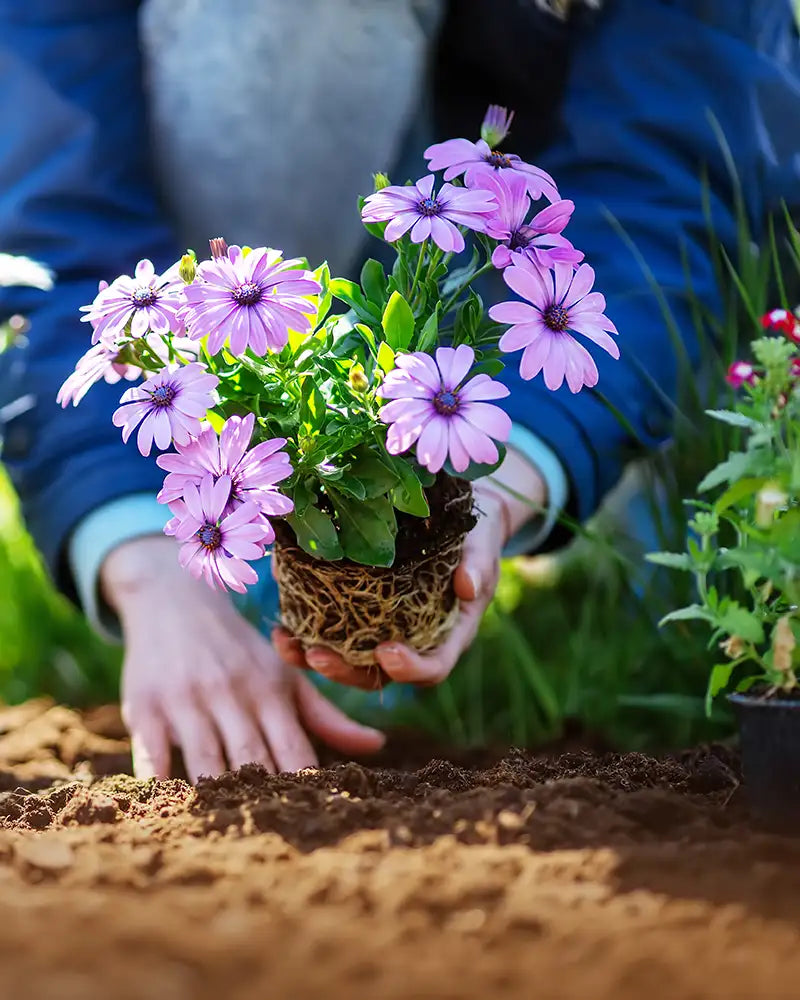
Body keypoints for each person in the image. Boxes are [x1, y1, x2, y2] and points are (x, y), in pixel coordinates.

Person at [1, 0, 798, 781]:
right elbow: (45, 197)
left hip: (582, 277)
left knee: (678, 595)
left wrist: (514, 470)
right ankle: (259, 596)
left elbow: (683, 156)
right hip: (301, 198)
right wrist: (146, 559)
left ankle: (605, 548)